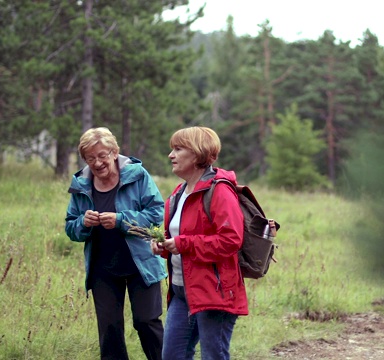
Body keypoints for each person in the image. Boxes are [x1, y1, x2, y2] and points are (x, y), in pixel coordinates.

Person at [65, 127, 166, 360]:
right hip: (103, 269)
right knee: (109, 329)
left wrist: (122, 220)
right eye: (90, 158)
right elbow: (71, 227)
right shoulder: (81, 185)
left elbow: (157, 214)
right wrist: (84, 223)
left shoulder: (138, 175)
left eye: (102, 155)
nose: (97, 163)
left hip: (141, 264)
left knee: (146, 322)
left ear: (114, 152)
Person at [151, 126, 248, 360]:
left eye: (178, 149)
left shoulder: (220, 191)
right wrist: (164, 247)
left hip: (214, 292)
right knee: (173, 355)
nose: (170, 155)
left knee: (213, 356)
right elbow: (180, 239)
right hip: (181, 292)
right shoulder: (178, 193)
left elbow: (230, 240)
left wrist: (183, 244)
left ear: (196, 154)